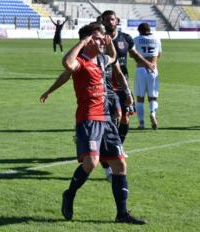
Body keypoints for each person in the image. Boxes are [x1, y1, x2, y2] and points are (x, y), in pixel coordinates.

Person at [41, 23, 146, 224]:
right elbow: (66, 64)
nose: (103, 41)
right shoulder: (80, 62)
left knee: (119, 163)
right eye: (98, 38)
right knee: (92, 162)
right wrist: (82, 42)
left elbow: (113, 57)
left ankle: (122, 214)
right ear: (88, 40)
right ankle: (69, 194)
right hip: (88, 118)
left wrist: (109, 44)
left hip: (106, 119)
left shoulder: (101, 59)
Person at [101, 10, 155, 143]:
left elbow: (135, 54)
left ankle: (119, 145)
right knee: (114, 116)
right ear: (102, 22)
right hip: (104, 83)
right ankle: (109, 145)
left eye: (112, 19)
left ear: (117, 20)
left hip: (122, 81)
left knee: (126, 116)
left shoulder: (125, 38)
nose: (110, 22)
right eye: (107, 20)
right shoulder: (100, 40)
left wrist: (147, 63)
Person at [133, 23, 162, 129]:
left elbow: (132, 54)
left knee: (140, 98)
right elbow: (159, 55)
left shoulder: (136, 39)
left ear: (139, 30)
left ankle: (141, 123)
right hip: (153, 70)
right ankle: (153, 114)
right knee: (153, 97)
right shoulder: (156, 39)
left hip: (140, 69)